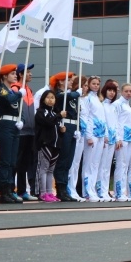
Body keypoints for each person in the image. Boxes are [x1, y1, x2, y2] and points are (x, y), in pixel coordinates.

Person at [0, 63, 23, 204]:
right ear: (5, 76)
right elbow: (10, 100)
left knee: (12, 161)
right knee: (5, 161)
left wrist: (21, 120)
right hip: (5, 125)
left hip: (14, 125)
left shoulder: (11, 91)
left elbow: (17, 109)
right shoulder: (2, 89)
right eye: (12, 74)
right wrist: (19, 94)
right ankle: (4, 192)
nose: (15, 76)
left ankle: (10, 190)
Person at [51, 72, 79, 202]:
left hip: (73, 127)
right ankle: (60, 188)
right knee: (63, 159)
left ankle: (65, 188)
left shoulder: (70, 95)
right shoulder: (59, 95)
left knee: (69, 160)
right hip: (65, 126)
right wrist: (77, 93)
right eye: (68, 80)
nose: (71, 82)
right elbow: (66, 96)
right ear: (61, 81)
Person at [34, 90, 65, 202]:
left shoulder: (54, 113)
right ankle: (42, 193)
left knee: (51, 170)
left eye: (52, 97)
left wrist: (62, 130)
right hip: (45, 144)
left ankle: (49, 192)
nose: (50, 100)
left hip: (55, 145)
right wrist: (59, 116)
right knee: (44, 168)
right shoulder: (41, 112)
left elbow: (55, 126)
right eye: (48, 97)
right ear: (43, 99)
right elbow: (48, 123)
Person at [14, 63, 38, 201]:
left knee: (24, 163)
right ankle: (12, 190)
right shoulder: (16, 88)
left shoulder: (28, 89)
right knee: (16, 162)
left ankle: (22, 191)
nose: (31, 74)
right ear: (21, 74)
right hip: (20, 131)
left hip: (30, 131)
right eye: (28, 72)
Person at [81, 75, 106, 201]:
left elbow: (102, 118)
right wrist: (89, 135)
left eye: (97, 84)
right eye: (93, 83)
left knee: (96, 164)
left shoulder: (98, 99)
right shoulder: (87, 99)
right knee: (88, 163)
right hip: (92, 135)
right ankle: (87, 191)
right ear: (89, 84)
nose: (96, 86)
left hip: (100, 135)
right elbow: (87, 117)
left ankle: (93, 189)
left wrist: (105, 134)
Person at [97, 80, 119, 201]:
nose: (111, 93)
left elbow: (116, 123)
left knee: (107, 167)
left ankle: (105, 190)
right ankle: (100, 190)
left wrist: (116, 138)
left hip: (112, 139)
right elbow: (103, 121)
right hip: (105, 139)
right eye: (109, 90)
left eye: (113, 91)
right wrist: (105, 135)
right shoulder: (102, 105)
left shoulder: (113, 107)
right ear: (105, 91)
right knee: (102, 166)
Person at [68, 76, 88, 201]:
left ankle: (74, 188)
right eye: (84, 85)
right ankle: (69, 188)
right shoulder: (72, 97)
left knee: (76, 164)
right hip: (74, 132)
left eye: (86, 85)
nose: (86, 88)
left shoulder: (85, 100)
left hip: (82, 134)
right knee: (72, 163)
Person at [113, 83, 131, 202]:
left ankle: (123, 191)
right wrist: (118, 138)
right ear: (121, 91)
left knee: (125, 166)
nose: (129, 93)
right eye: (126, 91)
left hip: (129, 138)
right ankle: (118, 192)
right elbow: (116, 122)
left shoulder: (127, 105)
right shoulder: (118, 104)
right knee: (120, 166)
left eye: (130, 91)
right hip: (121, 139)